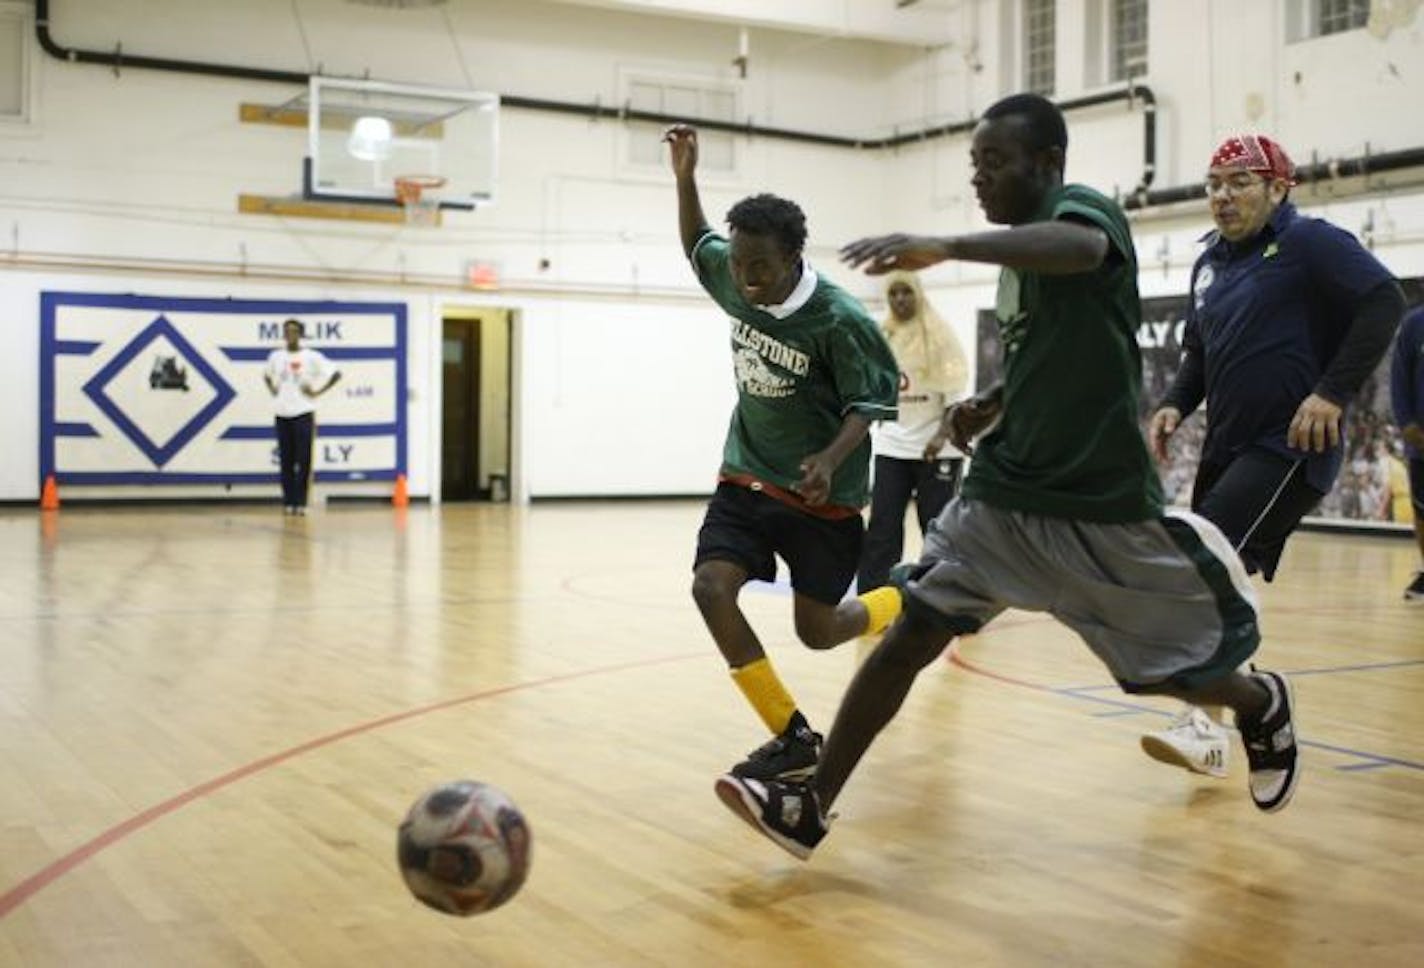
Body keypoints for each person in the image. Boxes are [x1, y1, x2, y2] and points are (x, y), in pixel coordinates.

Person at [713, 94, 1301, 861]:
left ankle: (1261, 702)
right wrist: (992, 401)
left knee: (1170, 668)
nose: (980, 179)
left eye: (995, 163)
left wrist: (947, 244)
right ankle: (811, 803)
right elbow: (1052, 354)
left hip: (1096, 502)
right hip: (1004, 490)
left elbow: (1082, 251)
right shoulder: (1019, 271)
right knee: (913, 632)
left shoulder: (1083, 212)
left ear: (1047, 164)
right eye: (974, 165)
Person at [1140, 135, 1404, 775]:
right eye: (1213, 184)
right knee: (1209, 572)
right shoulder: (1209, 265)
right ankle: (1233, 706)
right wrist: (1176, 400)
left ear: (1280, 188)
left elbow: (1384, 301)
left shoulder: (1310, 243)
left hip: (1289, 444)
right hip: (1226, 448)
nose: (1222, 196)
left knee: (1199, 566)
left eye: (1239, 182)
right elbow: (1199, 351)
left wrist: (1331, 393)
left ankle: (1224, 717)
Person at [665, 123, 904, 783]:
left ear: (794, 257)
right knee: (710, 587)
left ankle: (904, 597)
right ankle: (792, 736)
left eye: (760, 267)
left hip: (821, 499)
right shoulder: (737, 274)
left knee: (820, 632)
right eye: (740, 266)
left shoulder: (840, 320)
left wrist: (829, 459)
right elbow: (697, 245)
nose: (745, 280)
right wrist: (685, 178)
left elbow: (873, 404)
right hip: (745, 477)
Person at [857, 272, 969, 594]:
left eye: (907, 292)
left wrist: (941, 435)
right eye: (894, 293)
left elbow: (955, 395)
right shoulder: (883, 335)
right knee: (882, 525)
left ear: (919, 294)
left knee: (936, 526)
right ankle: (872, 598)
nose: (901, 299)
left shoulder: (939, 334)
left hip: (936, 449)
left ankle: (946, 599)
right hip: (893, 445)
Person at [264, 318, 341, 515]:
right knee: (286, 460)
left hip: (303, 413)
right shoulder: (276, 356)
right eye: (287, 331)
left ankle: (301, 502)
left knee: (303, 459)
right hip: (282, 413)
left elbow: (336, 373)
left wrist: (317, 392)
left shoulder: (311, 357)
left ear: (300, 334)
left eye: (294, 331)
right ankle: (288, 502)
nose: (290, 335)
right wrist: (273, 389)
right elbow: (266, 375)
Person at [1392, 303, 1424, 600]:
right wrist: (1407, 423)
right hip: (1421, 443)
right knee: (1422, 511)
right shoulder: (1414, 324)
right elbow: (1400, 377)